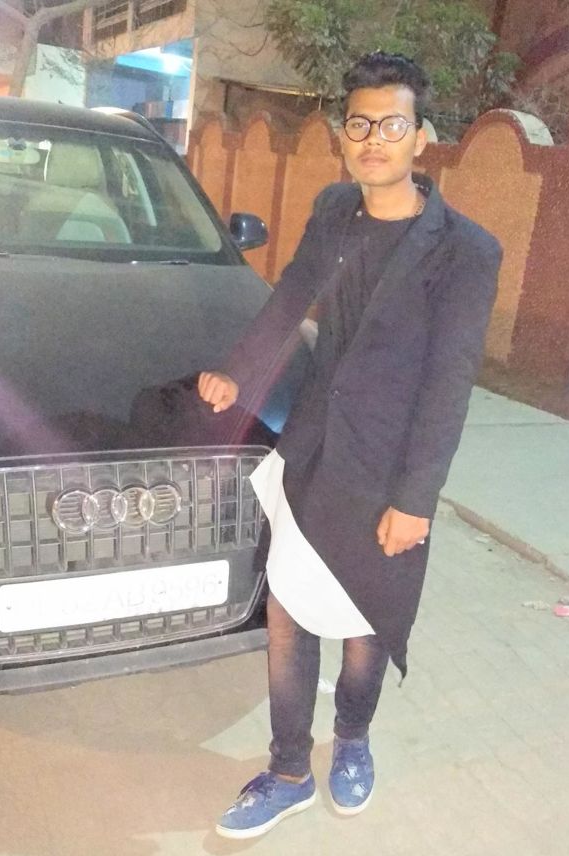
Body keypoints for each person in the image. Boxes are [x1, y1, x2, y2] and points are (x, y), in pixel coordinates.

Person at [198, 51, 503, 840]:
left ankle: (355, 739)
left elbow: (448, 384)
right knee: (288, 615)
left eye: (391, 125)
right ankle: (288, 769)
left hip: (388, 471)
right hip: (313, 449)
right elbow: (294, 294)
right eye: (360, 124)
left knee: (366, 621)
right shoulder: (335, 209)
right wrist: (239, 372)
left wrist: (416, 500)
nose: (373, 140)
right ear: (344, 134)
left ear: (422, 137)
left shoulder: (465, 251)